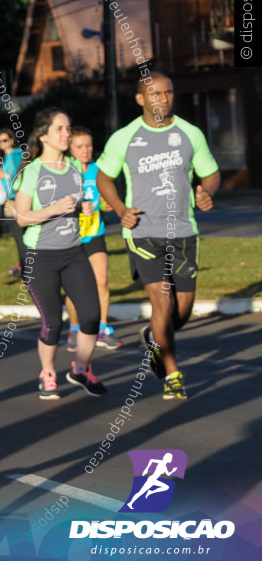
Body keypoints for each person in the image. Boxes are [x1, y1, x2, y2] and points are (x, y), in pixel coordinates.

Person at [97, 73, 219, 401]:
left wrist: (206, 192)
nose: (163, 99)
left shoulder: (190, 133)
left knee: (183, 308)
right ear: (141, 100)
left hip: (183, 230)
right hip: (143, 232)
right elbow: (103, 177)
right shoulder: (124, 138)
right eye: (155, 94)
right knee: (162, 301)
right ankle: (172, 373)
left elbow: (210, 173)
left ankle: (153, 336)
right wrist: (120, 208)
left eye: (168, 93)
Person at [14, 108, 105, 400]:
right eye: (60, 129)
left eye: (68, 128)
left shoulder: (75, 168)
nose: (67, 134)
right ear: (44, 135)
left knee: (91, 316)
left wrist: (84, 209)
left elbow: (76, 204)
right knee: (53, 322)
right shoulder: (33, 171)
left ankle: (80, 369)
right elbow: (21, 217)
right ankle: (48, 372)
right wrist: (53, 209)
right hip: (41, 255)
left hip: (74, 252)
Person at [64, 126, 118, 351]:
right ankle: (75, 328)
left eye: (88, 145)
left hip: (95, 233)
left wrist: (108, 204)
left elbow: (107, 199)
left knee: (102, 281)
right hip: (71, 236)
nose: (85, 150)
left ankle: (102, 330)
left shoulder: (99, 170)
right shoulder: (65, 171)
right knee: (74, 288)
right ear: (70, 149)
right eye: (79, 146)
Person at [0, 127, 27, 279]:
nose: (2, 143)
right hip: (11, 198)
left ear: (12, 140)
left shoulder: (15, 155)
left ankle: (24, 268)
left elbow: (15, 176)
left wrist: (2, 174)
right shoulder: (9, 156)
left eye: (5, 140)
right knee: (18, 235)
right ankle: (22, 265)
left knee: (19, 235)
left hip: (15, 199)